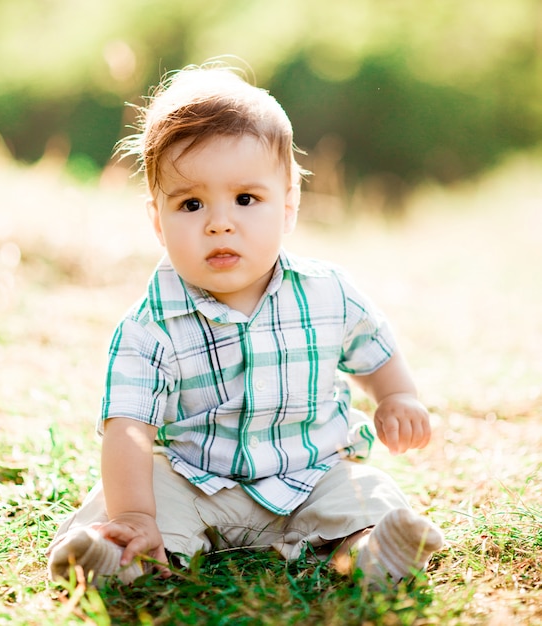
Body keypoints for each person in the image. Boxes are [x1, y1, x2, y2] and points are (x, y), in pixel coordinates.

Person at [47, 63, 443, 588]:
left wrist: (398, 397)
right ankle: (116, 557)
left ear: (288, 207)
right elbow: (129, 429)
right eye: (191, 203)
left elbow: (375, 350)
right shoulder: (149, 327)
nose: (219, 221)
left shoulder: (328, 293)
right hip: (194, 479)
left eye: (245, 199)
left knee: (368, 494)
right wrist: (136, 514)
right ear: (157, 222)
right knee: (135, 504)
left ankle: (370, 552)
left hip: (312, 473)